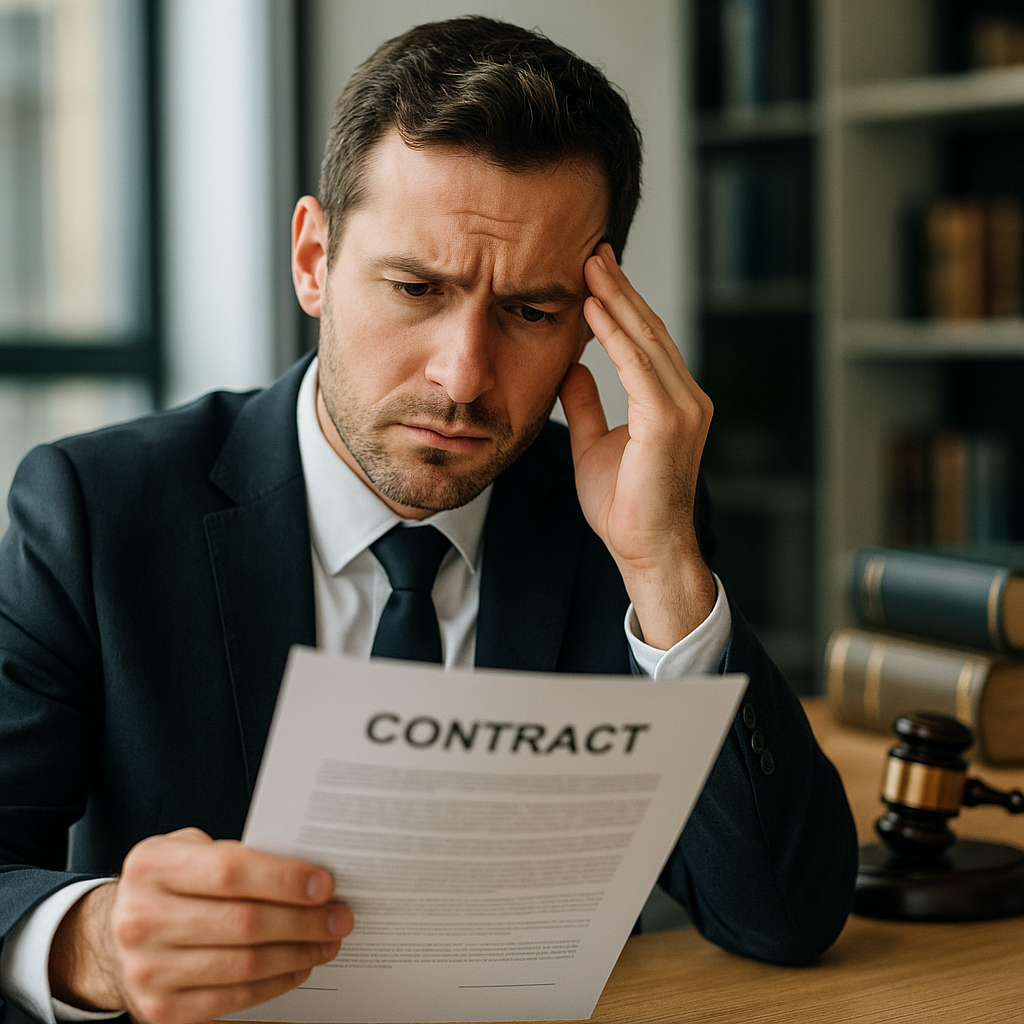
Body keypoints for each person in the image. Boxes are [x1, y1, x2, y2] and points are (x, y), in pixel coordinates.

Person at [0, 16, 858, 1024]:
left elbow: (784, 916)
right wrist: (90, 943)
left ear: (598, 318)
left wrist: (666, 570)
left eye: (533, 312)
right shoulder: (94, 513)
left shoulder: (625, 524)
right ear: (314, 258)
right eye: (416, 287)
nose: (462, 376)